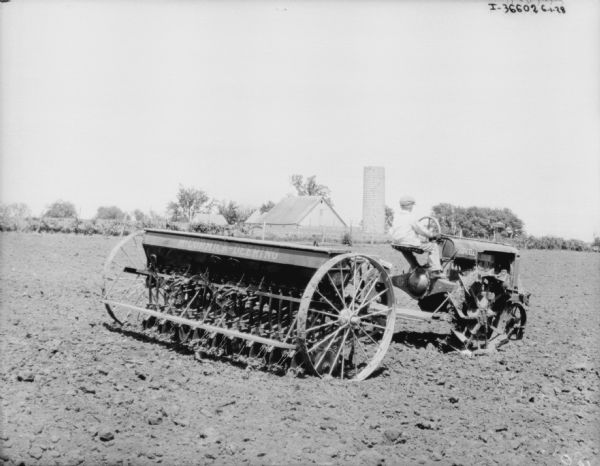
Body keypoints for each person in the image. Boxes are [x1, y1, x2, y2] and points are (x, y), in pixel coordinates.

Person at [390, 195, 443, 276]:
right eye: (412, 205)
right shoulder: (411, 217)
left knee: (406, 250)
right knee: (434, 246)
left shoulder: (396, 216)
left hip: (397, 243)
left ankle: (415, 267)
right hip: (408, 243)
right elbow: (421, 230)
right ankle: (435, 271)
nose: (412, 207)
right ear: (409, 206)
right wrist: (432, 235)